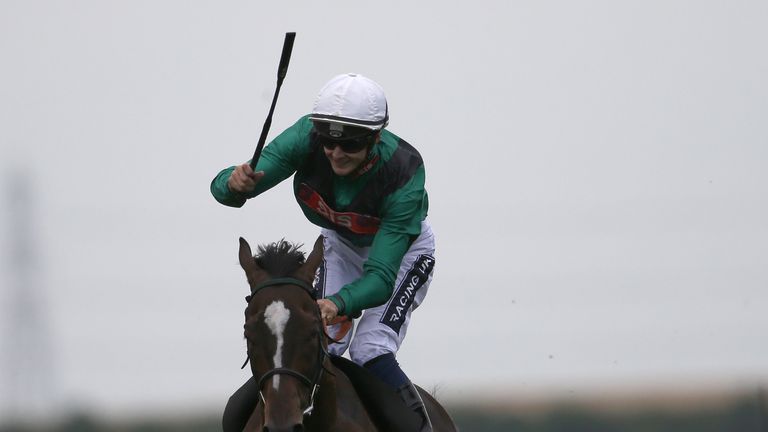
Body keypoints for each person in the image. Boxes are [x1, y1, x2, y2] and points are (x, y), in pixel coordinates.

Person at [211, 73, 435, 431]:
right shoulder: (305, 138)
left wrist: (338, 303)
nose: (335, 153)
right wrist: (232, 183)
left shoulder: (404, 171)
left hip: (402, 255)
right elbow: (229, 192)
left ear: (375, 138)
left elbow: (379, 278)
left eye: (349, 145)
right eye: (329, 143)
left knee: (369, 349)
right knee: (319, 346)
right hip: (341, 244)